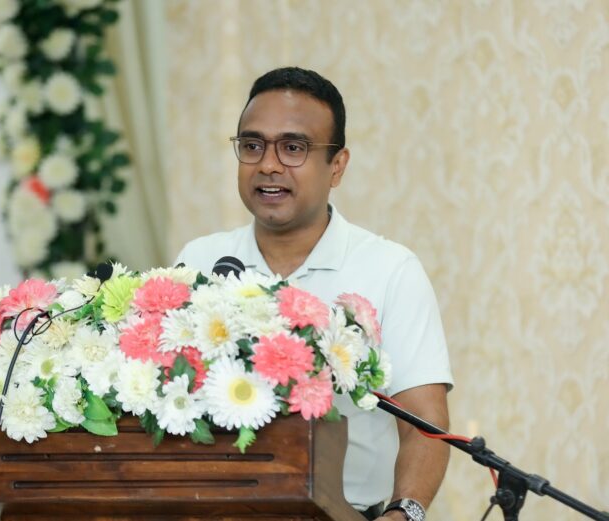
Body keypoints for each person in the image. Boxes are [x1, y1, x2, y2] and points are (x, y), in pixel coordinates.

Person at [175, 67, 453, 521]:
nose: (268, 165)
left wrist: (405, 513)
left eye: (293, 148)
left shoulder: (389, 270)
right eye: (252, 146)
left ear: (337, 166)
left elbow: (426, 424)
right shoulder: (201, 261)